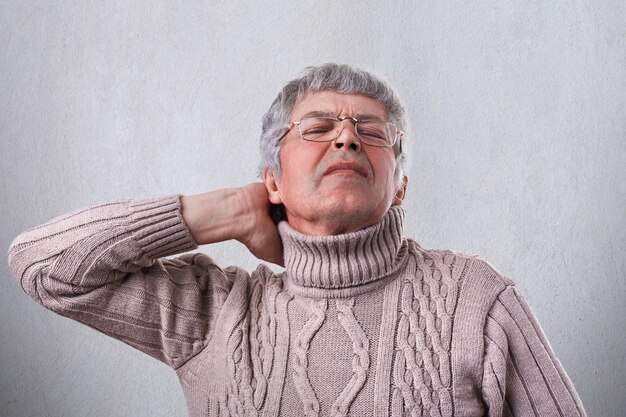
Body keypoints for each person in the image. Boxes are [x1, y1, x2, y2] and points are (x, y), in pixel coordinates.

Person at [8, 63, 586, 417]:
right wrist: (227, 210)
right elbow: (41, 263)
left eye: (371, 130)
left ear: (401, 184)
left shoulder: (474, 299)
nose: (346, 140)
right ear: (273, 178)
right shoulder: (216, 314)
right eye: (316, 128)